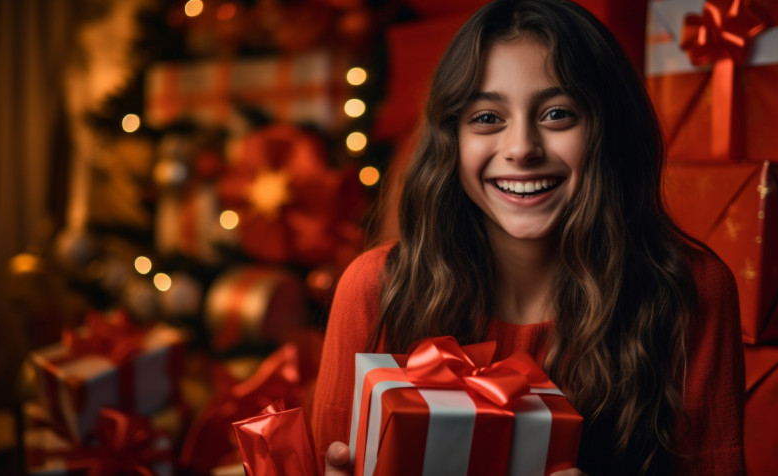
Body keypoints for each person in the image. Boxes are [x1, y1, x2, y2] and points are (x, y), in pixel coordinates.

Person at [310, 0, 745, 474]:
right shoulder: (376, 288)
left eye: (557, 114)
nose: (521, 149)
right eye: (486, 118)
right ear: (450, 138)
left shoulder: (691, 290)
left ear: (608, 129)